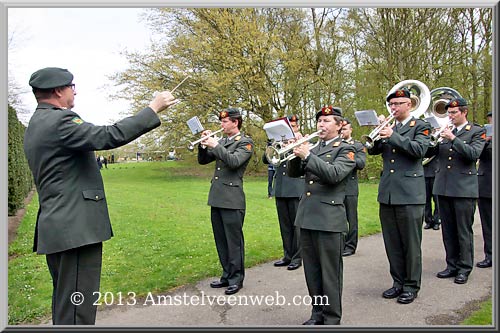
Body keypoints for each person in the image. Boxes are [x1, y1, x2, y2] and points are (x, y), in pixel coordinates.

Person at [23, 67, 177, 325]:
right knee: (77, 312)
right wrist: (153, 108)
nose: (75, 91)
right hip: (75, 230)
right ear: (58, 91)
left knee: (67, 306)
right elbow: (109, 135)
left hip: (59, 226)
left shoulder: (37, 124)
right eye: (72, 86)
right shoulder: (61, 121)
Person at [288, 106, 355, 325]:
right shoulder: (314, 148)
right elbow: (293, 172)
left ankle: (332, 318)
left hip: (329, 219)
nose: (321, 124)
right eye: (319, 121)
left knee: (330, 274)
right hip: (307, 216)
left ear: (339, 125)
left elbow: (334, 175)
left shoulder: (345, 150)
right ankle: (317, 313)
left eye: (327, 121)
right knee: (313, 272)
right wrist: (296, 151)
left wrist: (307, 154)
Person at [367, 87, 431, 305]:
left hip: (410, 194)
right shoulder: (389, 127)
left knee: (411, 244)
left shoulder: (421, 126)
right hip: (388, 193)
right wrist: (377, 134)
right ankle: (398, 282)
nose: (393, 108)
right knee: (392, 242)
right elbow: (373, 150)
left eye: (397, 104)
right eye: (391, 105)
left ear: (409, 105)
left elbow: (419, 151)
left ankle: (411, 285)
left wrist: (393, 136)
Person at [429, 97, 486, 284]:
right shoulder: (445, 131)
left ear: (464, 112)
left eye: (454, 113)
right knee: (448, 230)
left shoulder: (477, 131)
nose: (450, 116)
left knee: (463, 231)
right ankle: (451, 264)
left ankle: (464, 267)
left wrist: (453, 139)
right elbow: (430, 154)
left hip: (463, 189)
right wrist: (433, 139)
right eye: (449, 113)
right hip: (443, 187)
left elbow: (473, 154)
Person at [197, 108, 254, 295]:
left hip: (232, 198)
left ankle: (236, 279)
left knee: (233, 241)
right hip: (217, 197)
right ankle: (226, 275)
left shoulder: (245, 142)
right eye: (221, 122)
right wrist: (203, 145)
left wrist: (215, 145)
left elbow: (234, 161)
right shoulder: (221, 142)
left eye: (224, 122)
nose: (221, 125)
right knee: (221, 240)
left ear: (235, 122)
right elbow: (203, 161)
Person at [263, 115, 304, 271]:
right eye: (289, 127)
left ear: (297, 127)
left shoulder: (303, 141)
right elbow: (266, 160)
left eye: (294, 126)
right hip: (280, 188)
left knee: (296, 226)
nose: (292, 129)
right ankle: (287, 255)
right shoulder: (278, 142)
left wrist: (296, 144)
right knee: (284, 225)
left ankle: (298, 257)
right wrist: (273, 144)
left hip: (295, 188)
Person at [340, 118, 366, 257]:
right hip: (336, 186)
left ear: (350, 130)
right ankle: (341, 243)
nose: (342, 131)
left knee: (351, 217)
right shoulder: (335, 144)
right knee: (339, 217)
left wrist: (347, 157)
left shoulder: (357, 145)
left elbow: (361, 163)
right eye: (341, 129)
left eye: (345, 129)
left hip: (349, 187)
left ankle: (351, 245)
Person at [477, 111, 492, 268]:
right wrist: (485, 141)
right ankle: (490, 255)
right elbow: (473, 154)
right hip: (485, 185)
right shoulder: (483, 138)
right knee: (487, 223)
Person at [423, 143, 440, 230]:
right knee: (426, 199)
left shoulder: (439, 141)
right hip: (425, 172)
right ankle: (428, 220)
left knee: (437, 200)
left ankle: (437, 221)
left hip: (435, 173)